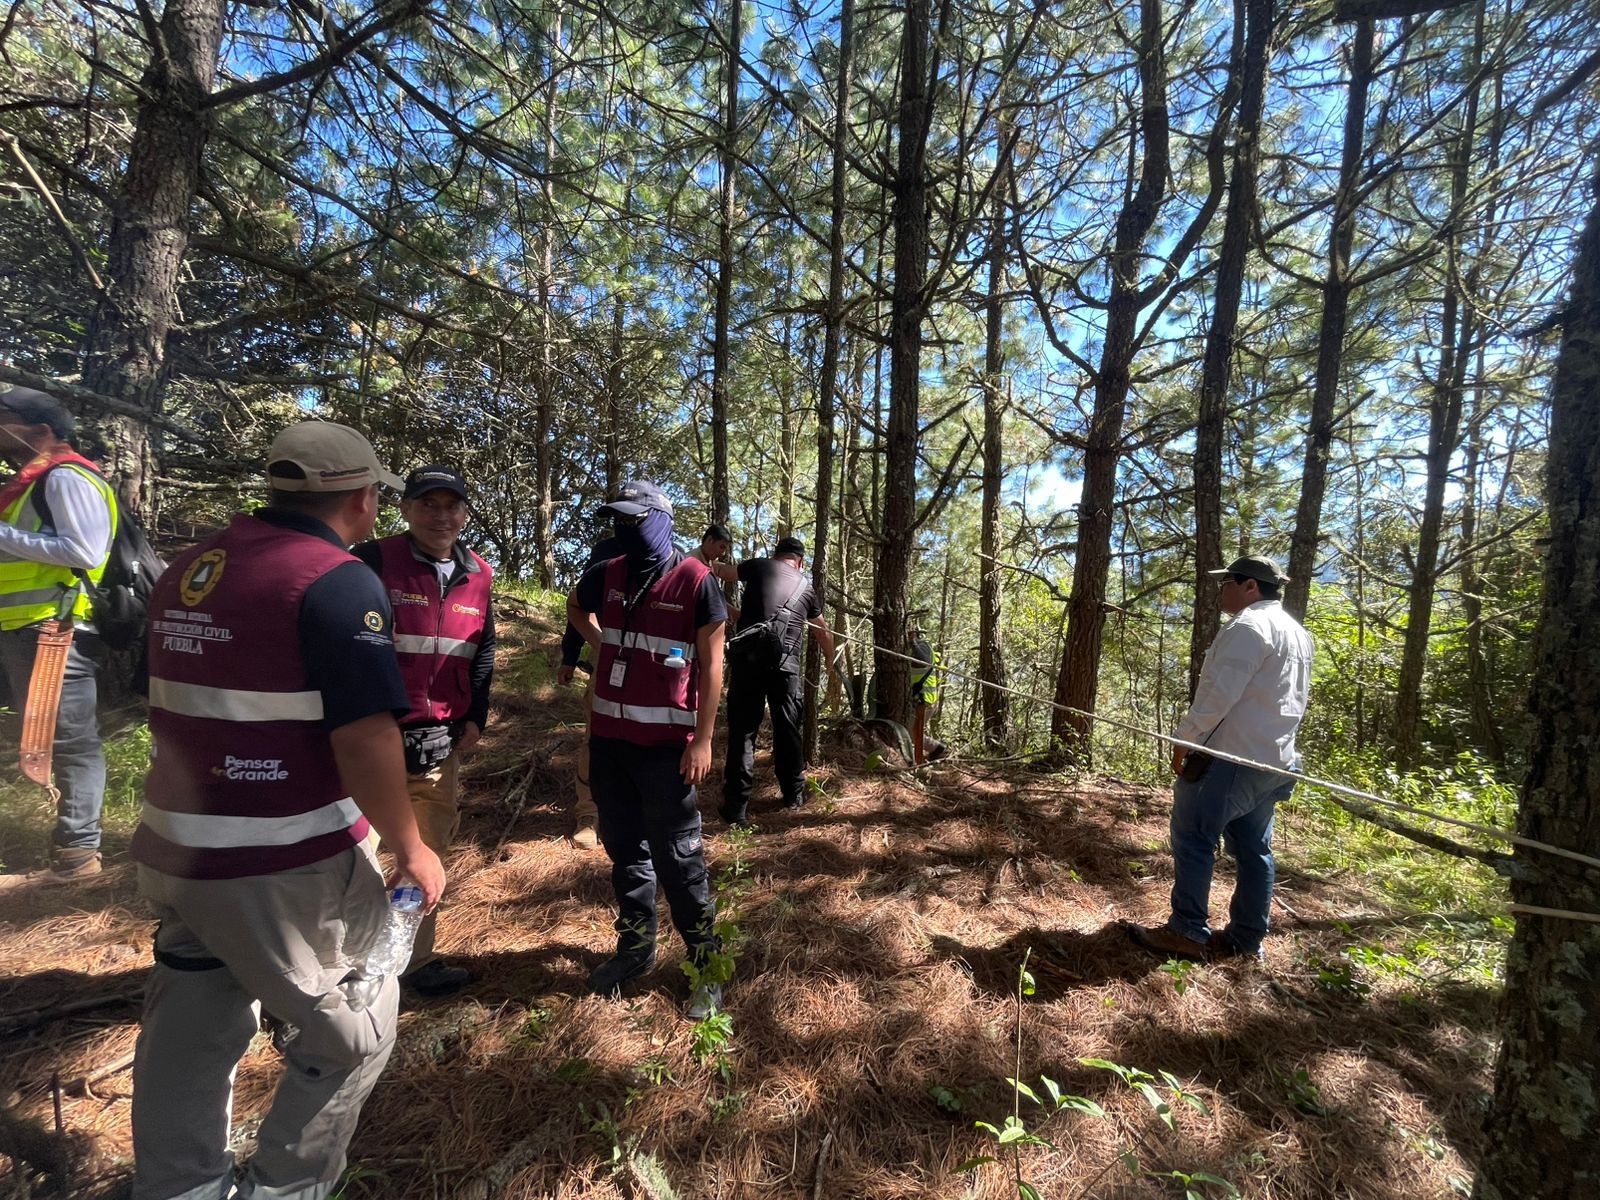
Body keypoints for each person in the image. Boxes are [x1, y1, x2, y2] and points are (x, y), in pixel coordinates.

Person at [129, 420, 446, 1200]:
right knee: (354, 1028)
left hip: (176, 848)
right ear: (364, 498)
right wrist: (411, 846)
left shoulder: (193, 565)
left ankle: (178, 1186)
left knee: (194, 1023)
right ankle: (284, 1187)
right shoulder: (336, 581)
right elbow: (365, 735)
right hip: (280, 858)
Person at [565, 480, 728, 1018]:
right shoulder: (608, 573)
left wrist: (703, 739)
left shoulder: (697, 581)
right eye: (619, 522)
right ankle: (636, 949)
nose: (626, 531)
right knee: (626, 852)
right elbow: (575, 606)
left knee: (679, 859)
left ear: (661, 521)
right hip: (610, 744)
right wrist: (601, 643)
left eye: (636, 521)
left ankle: (705, 966)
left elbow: (714, 666)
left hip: (666, 749)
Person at [1127, 554, 1312, 964]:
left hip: (1233, 757)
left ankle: (1187, 931)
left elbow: (1218, 696)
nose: (1220, 590)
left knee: (1194, 837)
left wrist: (1185, 739)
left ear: (1250, 586)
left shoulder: (1248, 627)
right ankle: (1246, 939)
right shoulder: (1297, 632)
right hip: (1275, 761)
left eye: (1226, 582)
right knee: (1254, 849)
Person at [352, 464, 493, 998]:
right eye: (428, 504)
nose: (441, 516)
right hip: (369, 743)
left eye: (451, 505)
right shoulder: (371, 560)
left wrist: (475, 715)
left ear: (465, 514)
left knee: (425, 857)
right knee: (355, 859)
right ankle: (340, 965)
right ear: (406, 509)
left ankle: (410, 960)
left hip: (438, 744)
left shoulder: (479, 574)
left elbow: (483, 649)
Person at [0, 386, 116, 882]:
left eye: (3, 420)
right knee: (50, 738)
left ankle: (78, 856)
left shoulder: (67, 477)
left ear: (40, 430)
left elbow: (84, 550)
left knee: (71, 741)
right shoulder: (30, 482)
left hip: (55, 628)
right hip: (25, 627)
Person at [719, 535, 835, 826]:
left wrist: (708, 564)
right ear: (800, 562)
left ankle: (736, 808)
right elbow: (823, 632)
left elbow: (725, 573)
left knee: (743, 732)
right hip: (786, 666)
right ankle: (793, 796)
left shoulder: (759, 566)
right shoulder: (806, 587)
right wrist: (831, 663)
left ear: (776, 555)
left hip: (748, 661)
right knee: (787, 730)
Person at [558, 526, 624, 850]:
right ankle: (588, 814)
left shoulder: (673, 558)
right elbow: (580, 605)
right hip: (608, 660)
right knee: (596, 736)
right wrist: (570, 656)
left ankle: (631, 811)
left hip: (655, 669)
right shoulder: (605, 554)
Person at [689, 522, 740, 625]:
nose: (723, 553)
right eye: (721, 547)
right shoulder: (691, 562)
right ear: (710, 540)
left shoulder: (710, 563)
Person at [908, 625, 946, 765]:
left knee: (912, 732)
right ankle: (935, 749)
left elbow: (922, 661)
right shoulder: (911, 649)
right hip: (920, 698)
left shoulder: (923, 646)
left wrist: (913, 642)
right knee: (912, 731)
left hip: (924, 699)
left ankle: (936, 749)